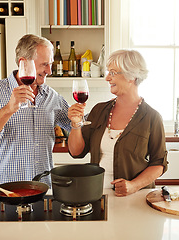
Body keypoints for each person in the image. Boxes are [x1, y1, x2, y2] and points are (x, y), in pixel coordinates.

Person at [0, 34, 72, 187]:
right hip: (7, 191)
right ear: (23, 63)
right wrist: (8, 110)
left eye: (50, 64)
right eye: (44, 64)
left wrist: (109, 109)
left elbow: (75, 124)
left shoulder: (52, 96)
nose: (49, 71)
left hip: (43, 190)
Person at [68, 49, 168, 197]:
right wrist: (75, 125)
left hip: (136, 198)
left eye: (113, 73)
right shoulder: (99, 110)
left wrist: (134, 185)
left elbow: (159, 163)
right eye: (108, 72)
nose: (107, 78)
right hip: (97, 194)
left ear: (131, 76)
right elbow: (77, 152)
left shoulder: (152, 117)